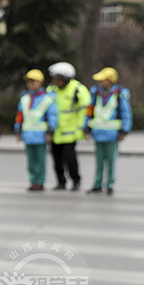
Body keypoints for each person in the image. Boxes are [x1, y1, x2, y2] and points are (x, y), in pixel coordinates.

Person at [85, 67, 132, 195]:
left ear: (110, 80)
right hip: (98, 133)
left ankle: (109, 184)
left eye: (103, 80)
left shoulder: (119, 95)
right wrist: (86, 128)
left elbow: (125, 113)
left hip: (112, 134)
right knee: (99, 161)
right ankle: (97, 184)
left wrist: (124, 131)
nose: (100, 82)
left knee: (110, 161)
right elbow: (89, 112)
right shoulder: (95, 94)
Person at [46, 62, 91, 191]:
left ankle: (75, 180)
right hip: (55, 131)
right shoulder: (51, 90)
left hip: (70, 132)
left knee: (70, 158)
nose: (55, 81)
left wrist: (82, 128)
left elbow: (85, 111)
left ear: (65, 78)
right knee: (56, 159)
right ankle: (61, 181)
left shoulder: (78, 90)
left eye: (57, 78)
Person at [15, 69, 58, 192]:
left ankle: (40, 181)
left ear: (41, 82)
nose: (30, 84)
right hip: (28, 135)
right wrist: (18, 130)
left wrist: (50, 132)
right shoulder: (25, 98)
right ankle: (33, 180)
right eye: (29, 82)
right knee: (31, 161)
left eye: (33, 81)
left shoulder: (48, 98)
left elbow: (53, 116)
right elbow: (20, 115)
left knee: (40, 160)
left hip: (40, 136)